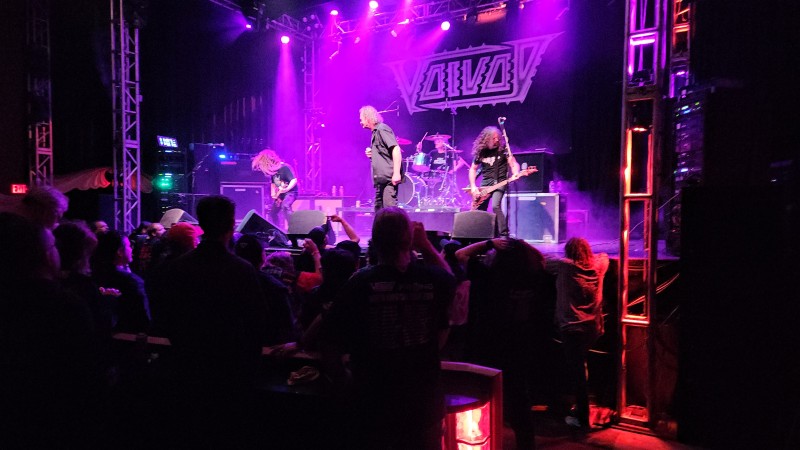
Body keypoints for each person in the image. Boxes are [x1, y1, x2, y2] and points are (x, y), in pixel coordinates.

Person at [319, 207, 455, 449]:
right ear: (409, 240)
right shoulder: (433, 279)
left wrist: (346, 382)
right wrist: (425, 246)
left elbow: (329, 344)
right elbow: (450, 281)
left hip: (373, 404)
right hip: (423, 404)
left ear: (374, 241)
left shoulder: (359, 283)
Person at [545, 237, 609, 429]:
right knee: (581, 366)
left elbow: (544, 261)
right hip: (592, 328)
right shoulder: (598, 267)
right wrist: (592, 257)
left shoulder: (564, 267)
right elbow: (604, 257)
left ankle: (582, 418)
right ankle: (583, 407)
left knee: (577, 373)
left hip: (572, 328)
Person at [468, 126, 520, 236]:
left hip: (500, 182)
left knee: (495, 206)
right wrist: (473, 186)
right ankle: (480, 233)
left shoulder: (503, 150)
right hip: (486, 183)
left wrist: (516, 172)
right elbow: (473, 169)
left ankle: (504, 235)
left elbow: (513, 163)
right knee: (479, 209)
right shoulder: (481, 152)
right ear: (487, 139)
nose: (497, 140)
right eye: (494, 138)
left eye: (498, 138)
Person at [359, 105, 404, 211]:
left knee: (390, 213)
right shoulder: (375, 132)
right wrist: (372, 154)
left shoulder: (382, 129)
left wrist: (396, 173)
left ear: (367, 118)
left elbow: (396, 149)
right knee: (379, 214)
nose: (360, 122)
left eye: (361, 119)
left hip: (388, 180)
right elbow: (384, 155)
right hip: (381, 182)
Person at [252, 148, 298, 230]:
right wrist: (274, 194)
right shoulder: (274, 172)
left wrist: (286, 189)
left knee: (285, 206)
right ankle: (277, 231)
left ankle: (295, 228)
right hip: (281, 194)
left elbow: (294, 180)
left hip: (291, 192)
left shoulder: (284, 167)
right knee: (273, 213)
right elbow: (273, 184)